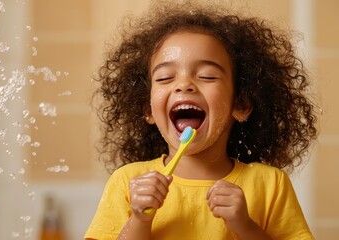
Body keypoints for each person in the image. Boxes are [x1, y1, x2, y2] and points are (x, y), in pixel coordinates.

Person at [85, 1, 318, 239]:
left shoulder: (270, 185)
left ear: (240, 104)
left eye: (206, 75)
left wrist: (244, 225)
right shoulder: (128, 182)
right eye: (165, 78)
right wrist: (139, 219)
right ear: (148, 109)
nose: (184, 84)